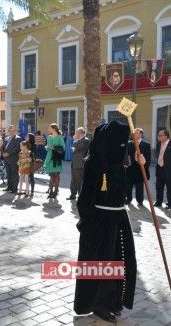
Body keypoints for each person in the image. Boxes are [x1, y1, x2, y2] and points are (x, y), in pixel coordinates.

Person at [75, 121, 137, 322]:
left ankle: (115, 300)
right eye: (120, 144)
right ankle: (99, 303)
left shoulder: (119, 164)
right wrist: (88, 225)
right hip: (100, 223)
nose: (123, 147)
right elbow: (84, 199)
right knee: (102, 264)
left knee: (119, 262)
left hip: (118, 219)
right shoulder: (94, 164)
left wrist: (140, 162)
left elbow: (130, 184)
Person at [125, 128, 151, 206]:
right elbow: (126, 156)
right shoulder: (129, 144)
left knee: (139, 185)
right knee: (128, 185)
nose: (134, 134)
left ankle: (140, 200)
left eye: (136, 133)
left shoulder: (146, 145)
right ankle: (128, 199)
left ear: (140, 134)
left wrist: (145, 168)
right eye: (133, 133)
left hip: (140, 168)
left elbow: (148, 158)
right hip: (130, 168)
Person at [68, 127, 90, 201]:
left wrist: (75, 141)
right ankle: (72, 195)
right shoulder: (78, 140)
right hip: (74, 163)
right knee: (73, 180)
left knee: (79, 181)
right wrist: (75, 142)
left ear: (81, 133)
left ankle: (81, 196)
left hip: (80, 164)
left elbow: (79, 147)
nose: (75, 133)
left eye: (77, 132)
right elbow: (74, 148)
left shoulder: (86, 140)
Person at [44, 123, 65, 199]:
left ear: (54, 129)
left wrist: (54, 147)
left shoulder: (59, 137)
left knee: (56, 175)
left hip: (56, 158)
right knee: (51, 175)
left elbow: (63, 148)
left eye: (49, 128)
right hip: (49, 157)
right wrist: (47, 147)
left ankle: (55, 191)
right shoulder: (49, 137)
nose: (48, 129)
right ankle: (51, 191)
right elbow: (48, 147)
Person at [155, 129, 171, 209]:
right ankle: (159, 202)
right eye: (158, 135)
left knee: (169, 187)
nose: (158, 137)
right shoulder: (158, 144)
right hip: (159, 168)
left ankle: (170, 203)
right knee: (159, 186)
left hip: (169, 170)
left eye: (160, 135)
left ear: (165, 136)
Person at [3, 125, 21, 193]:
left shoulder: (18, 138)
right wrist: (3, 153)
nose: (12, 132)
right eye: (11, 130)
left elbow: (17, 148)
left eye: (14, 130)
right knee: (8, 173)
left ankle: (14, 188)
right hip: (6, 159)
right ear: (9, 131)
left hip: (13, 159)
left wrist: (8, 153)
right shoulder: (6, 138)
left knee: (14, 174)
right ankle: (9, 186)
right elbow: (3, 147)